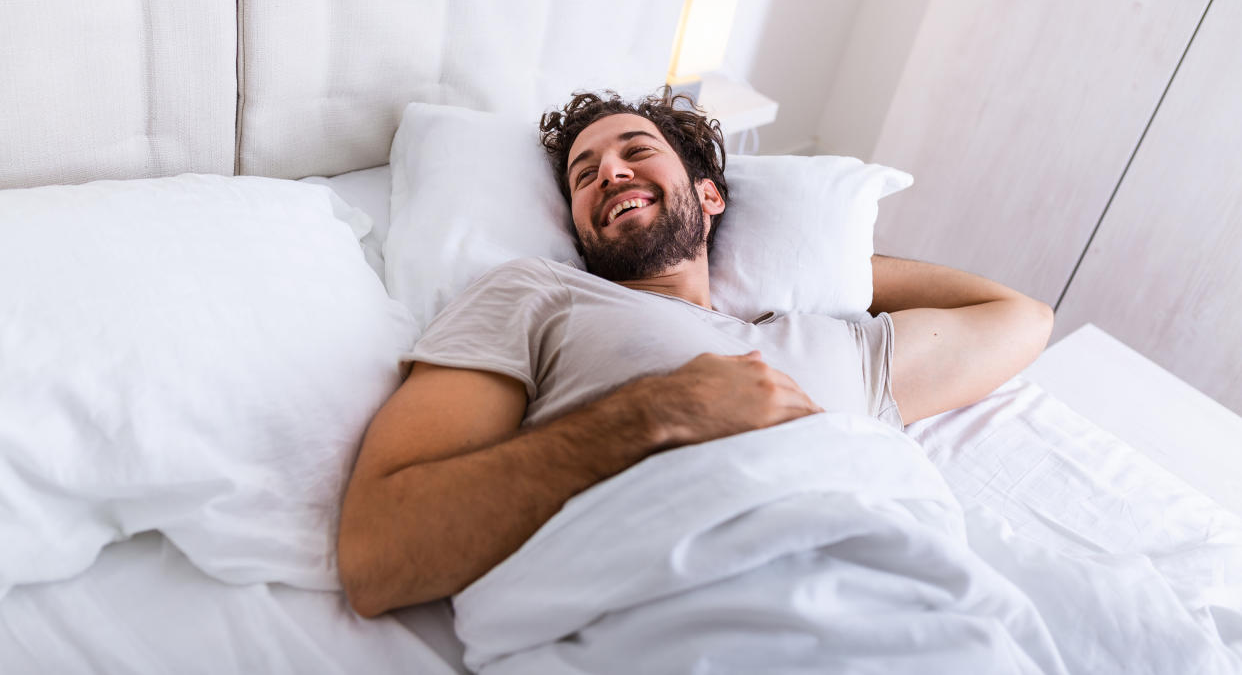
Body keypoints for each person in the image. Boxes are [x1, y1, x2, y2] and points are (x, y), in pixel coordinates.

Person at [336, 88, 1054, 619]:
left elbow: (1021, 318)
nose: (608, 173)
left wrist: (840, 269)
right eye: (583, 176)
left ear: (710, 197)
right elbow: (378, 554)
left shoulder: (833, 344)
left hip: (904, 616)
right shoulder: (536, 296)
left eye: (636, 152)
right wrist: (652, 414)